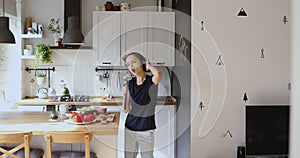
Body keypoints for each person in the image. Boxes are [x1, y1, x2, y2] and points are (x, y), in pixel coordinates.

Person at [122, 52, 162, 158]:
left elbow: (158, 74)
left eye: (134, 62)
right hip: (130, 126)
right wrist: (125, 94)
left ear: (142, 63)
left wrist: (149, 66)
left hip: (146, 128)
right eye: (128, 64)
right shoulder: (130, 83)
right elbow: (126, 109)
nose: (131, 66)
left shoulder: (151, 81)